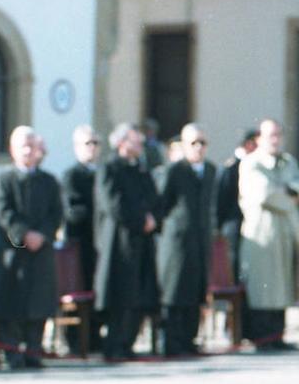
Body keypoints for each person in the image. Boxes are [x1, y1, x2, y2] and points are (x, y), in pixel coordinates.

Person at [0, 127, 63, 369]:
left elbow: (56, 214)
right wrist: (24, 235)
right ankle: (13, 352)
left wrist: (41, 235)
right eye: (24, 146)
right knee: (12, 303)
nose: (29, 151)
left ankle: (34, 350)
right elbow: (3, 212)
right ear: (13, 149)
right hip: (13, 251)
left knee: (38, 302)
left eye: (33, 146)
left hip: (40, 251)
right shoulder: (3, 179)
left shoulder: (49, 181)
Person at [94, 123, 157, 360]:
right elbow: (113, 204)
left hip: (142, 241)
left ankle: (128, 343)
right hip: (118, 243)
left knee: (139, 293)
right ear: (121, 143)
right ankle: (114, 345)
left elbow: (153, 197)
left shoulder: (140, 169)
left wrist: (152, 218)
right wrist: (141, 220)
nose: (140, 145)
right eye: (135, 140)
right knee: (119, 294)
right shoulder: (109, 169)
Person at [155, 123, 216, 356]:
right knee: (175, 292)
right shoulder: (174, 171)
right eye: (193, 143)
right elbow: (162, 204)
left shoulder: (209, 170)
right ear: (184, 145)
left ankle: (189, 340)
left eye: (203, 143)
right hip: (177, 242)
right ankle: (172, 343)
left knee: (194, 292)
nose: (199, 148)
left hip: (200, 241)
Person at [238, 118, 299, 349]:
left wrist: (285, 192)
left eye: (278, 135)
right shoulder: (251, 163)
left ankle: (278, 336)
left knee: (282, 286)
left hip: (285, 235)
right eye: (270, 135)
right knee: (264, 286)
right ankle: (262, 338)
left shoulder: (287, 162)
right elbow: (265, 194)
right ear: (259, 139)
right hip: (262, 235)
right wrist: (289, 197)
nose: (275, 140)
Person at [60, 125, 102, 353]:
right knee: (78, 290)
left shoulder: (102, 172)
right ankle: (75, 340)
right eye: (88, 143)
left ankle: (94, 336)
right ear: (77, 147)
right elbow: (72, 210)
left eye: (96, 143)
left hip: (99, 242)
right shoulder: (72, 175)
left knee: (97, 291)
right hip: (80, 243)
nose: (92, 148)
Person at [216, 127, 259, 282]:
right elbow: (222, 197)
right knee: (235, 263)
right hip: (234, 223)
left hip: (250, 223)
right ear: (248, 144)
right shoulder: (232, 166)